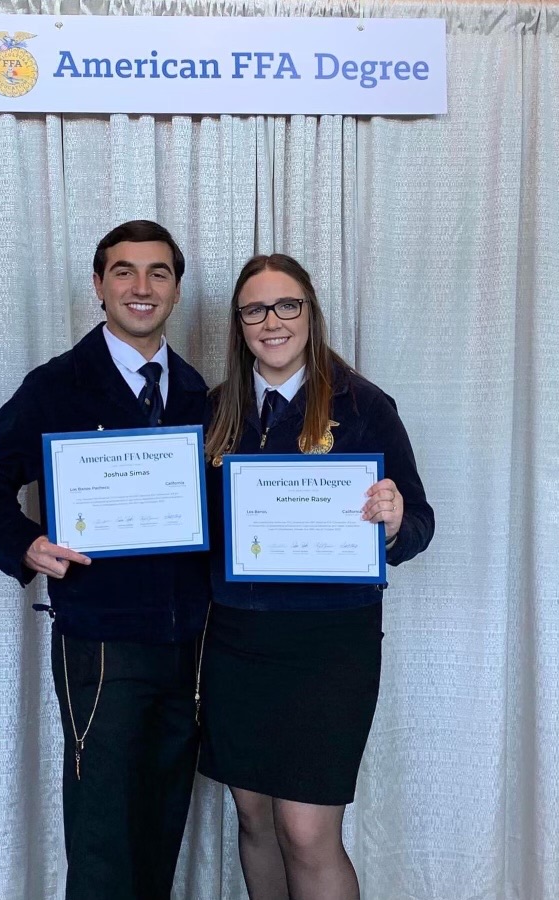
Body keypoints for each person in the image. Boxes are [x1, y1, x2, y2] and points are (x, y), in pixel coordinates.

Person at [0, 221, 209, 900]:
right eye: (124, 271)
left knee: (161, 824)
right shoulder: (59, 384)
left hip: (192, 646)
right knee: (103, 835)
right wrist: (25, 542)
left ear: (177, 289)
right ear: (99, 286)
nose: (141, 287)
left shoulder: (196, 393)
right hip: (102, 645)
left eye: (158, 272)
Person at [198, 253, 434, 900]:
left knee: (305, 830)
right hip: (237, 645)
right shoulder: (216, 410)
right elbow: (185, 529)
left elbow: (419, 524)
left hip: (331, 649)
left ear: (310, 314)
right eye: (255, 309)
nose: (271, 321)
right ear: (239, 323)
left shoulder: (363, 405)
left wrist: (393, 522)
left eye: (287, 305)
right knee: (253, 817)